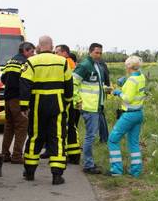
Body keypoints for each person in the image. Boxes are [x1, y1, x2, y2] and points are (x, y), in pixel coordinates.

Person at [20, 35, 73, 185]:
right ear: (52, 46)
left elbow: (24, 84)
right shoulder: (62, 61)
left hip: (37, 103)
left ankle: (29, 172)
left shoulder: (31, 61)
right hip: (57, 103)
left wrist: (24, 106)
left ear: (38, 46)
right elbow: (69, 85)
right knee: (57, 137)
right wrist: (67, 101)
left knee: (35, 136)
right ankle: (57, 175)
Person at [72, 43, 111, 174]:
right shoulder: (84, 66)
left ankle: (89, 163)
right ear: (90, 52)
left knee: (91, 136)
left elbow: (95, 85)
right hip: (88, 107)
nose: (99, 55)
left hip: (96, 106)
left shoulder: (97, 65)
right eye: (96, 53)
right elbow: (73, 84)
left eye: (100, 53)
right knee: (90, 137)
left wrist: (106, 89)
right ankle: (88, 165)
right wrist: (77, 100)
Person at [107, 55, 146, 177]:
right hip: (139, 113)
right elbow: (135, 89)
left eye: (126, 66)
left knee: (112, 140)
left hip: (129, 115)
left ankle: (116, 170)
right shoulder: (141, 77)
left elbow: (127, 99)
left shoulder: (131, 81)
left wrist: (118, 92)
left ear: (129, 67)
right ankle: (135, 171)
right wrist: (124, 83)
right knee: (133, 143)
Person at [0, 41, 35, 164]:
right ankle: (16, 156)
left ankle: (4, 154)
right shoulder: (25, 62)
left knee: (9, 127)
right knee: (22, 127)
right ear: (25, 51)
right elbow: (26, 82)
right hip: (18, 99)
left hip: (8, 98)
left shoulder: (10, 61)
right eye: (31, 52)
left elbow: (3, 78)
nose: (33, 54)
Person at [51, 44, 81, 164]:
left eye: (57, 52)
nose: (55, 54)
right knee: (71, 127)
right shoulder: (69, 63)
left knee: (69, 126)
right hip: (71, 100)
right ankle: (73, 154)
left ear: (65, 53)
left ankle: (71, 154)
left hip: (68, 100)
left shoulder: (67, 63)